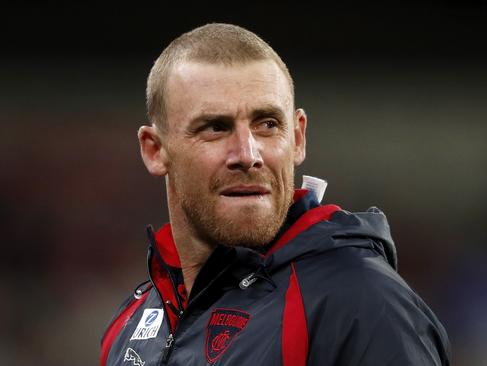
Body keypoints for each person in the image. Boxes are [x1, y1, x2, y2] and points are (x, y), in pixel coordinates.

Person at [100, 23, 451, 366]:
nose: (248, 154)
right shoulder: (133, 324)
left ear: (297, 138)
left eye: (267, 124)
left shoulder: (359, 304)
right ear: (154, 150)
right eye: (215, 128)